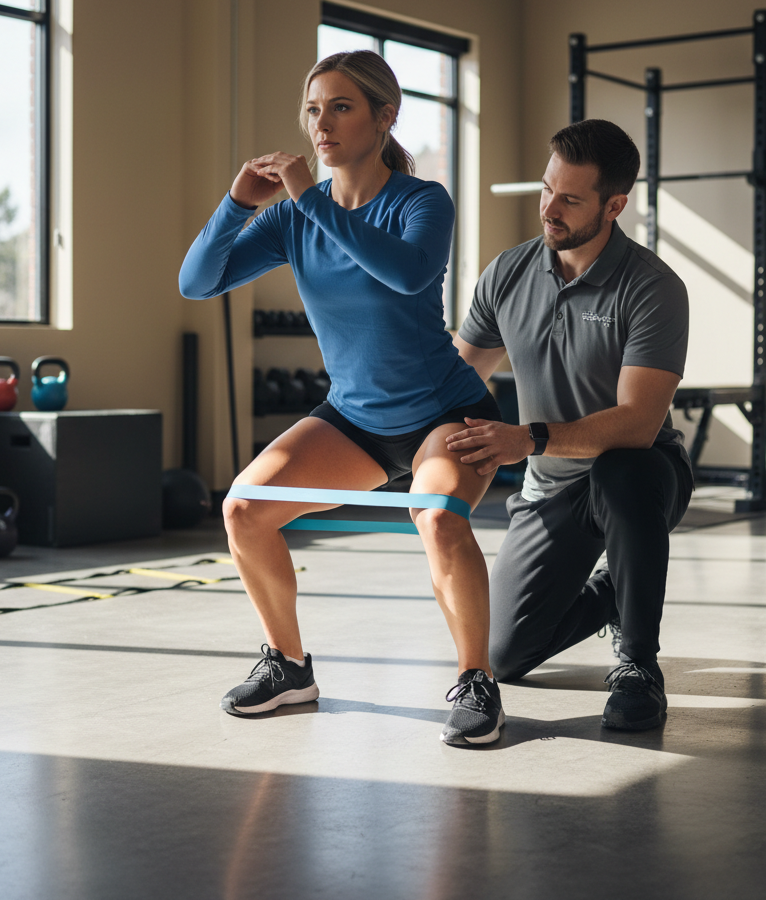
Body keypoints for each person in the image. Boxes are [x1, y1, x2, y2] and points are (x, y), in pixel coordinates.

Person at [179, 50, 505, 746]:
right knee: (244, 509)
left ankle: (476, 678)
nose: (319, 123)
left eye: (340, 106)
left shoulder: (421, 201)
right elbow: (197, 282)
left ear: (385, 117)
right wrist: (237, 202)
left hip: (445, 412)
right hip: (354, 416)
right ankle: (289, 666)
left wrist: (306, 201)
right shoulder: (297, 216)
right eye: (312, 108)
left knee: (440, 518)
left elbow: (407, 274)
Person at [447, 118, 692, 731]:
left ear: (614, 205)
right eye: (546, 189)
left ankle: (638, 666)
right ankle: (618, 588)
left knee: (623, 471)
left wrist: (525, 439)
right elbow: (455, 381)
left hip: (641, 473)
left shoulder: (653, 287)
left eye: (570, 199)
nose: (548, 209)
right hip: (552, 485)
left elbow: (638, 423)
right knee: (505, 654)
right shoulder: (508, 273)